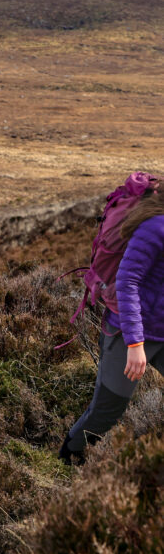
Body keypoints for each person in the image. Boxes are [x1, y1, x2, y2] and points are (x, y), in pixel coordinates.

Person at [60, 186, 164, 462]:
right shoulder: (155, 227)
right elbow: (127, 282)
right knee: (107, 410)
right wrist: (135, 343)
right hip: (130, 332)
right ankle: (69, 457)